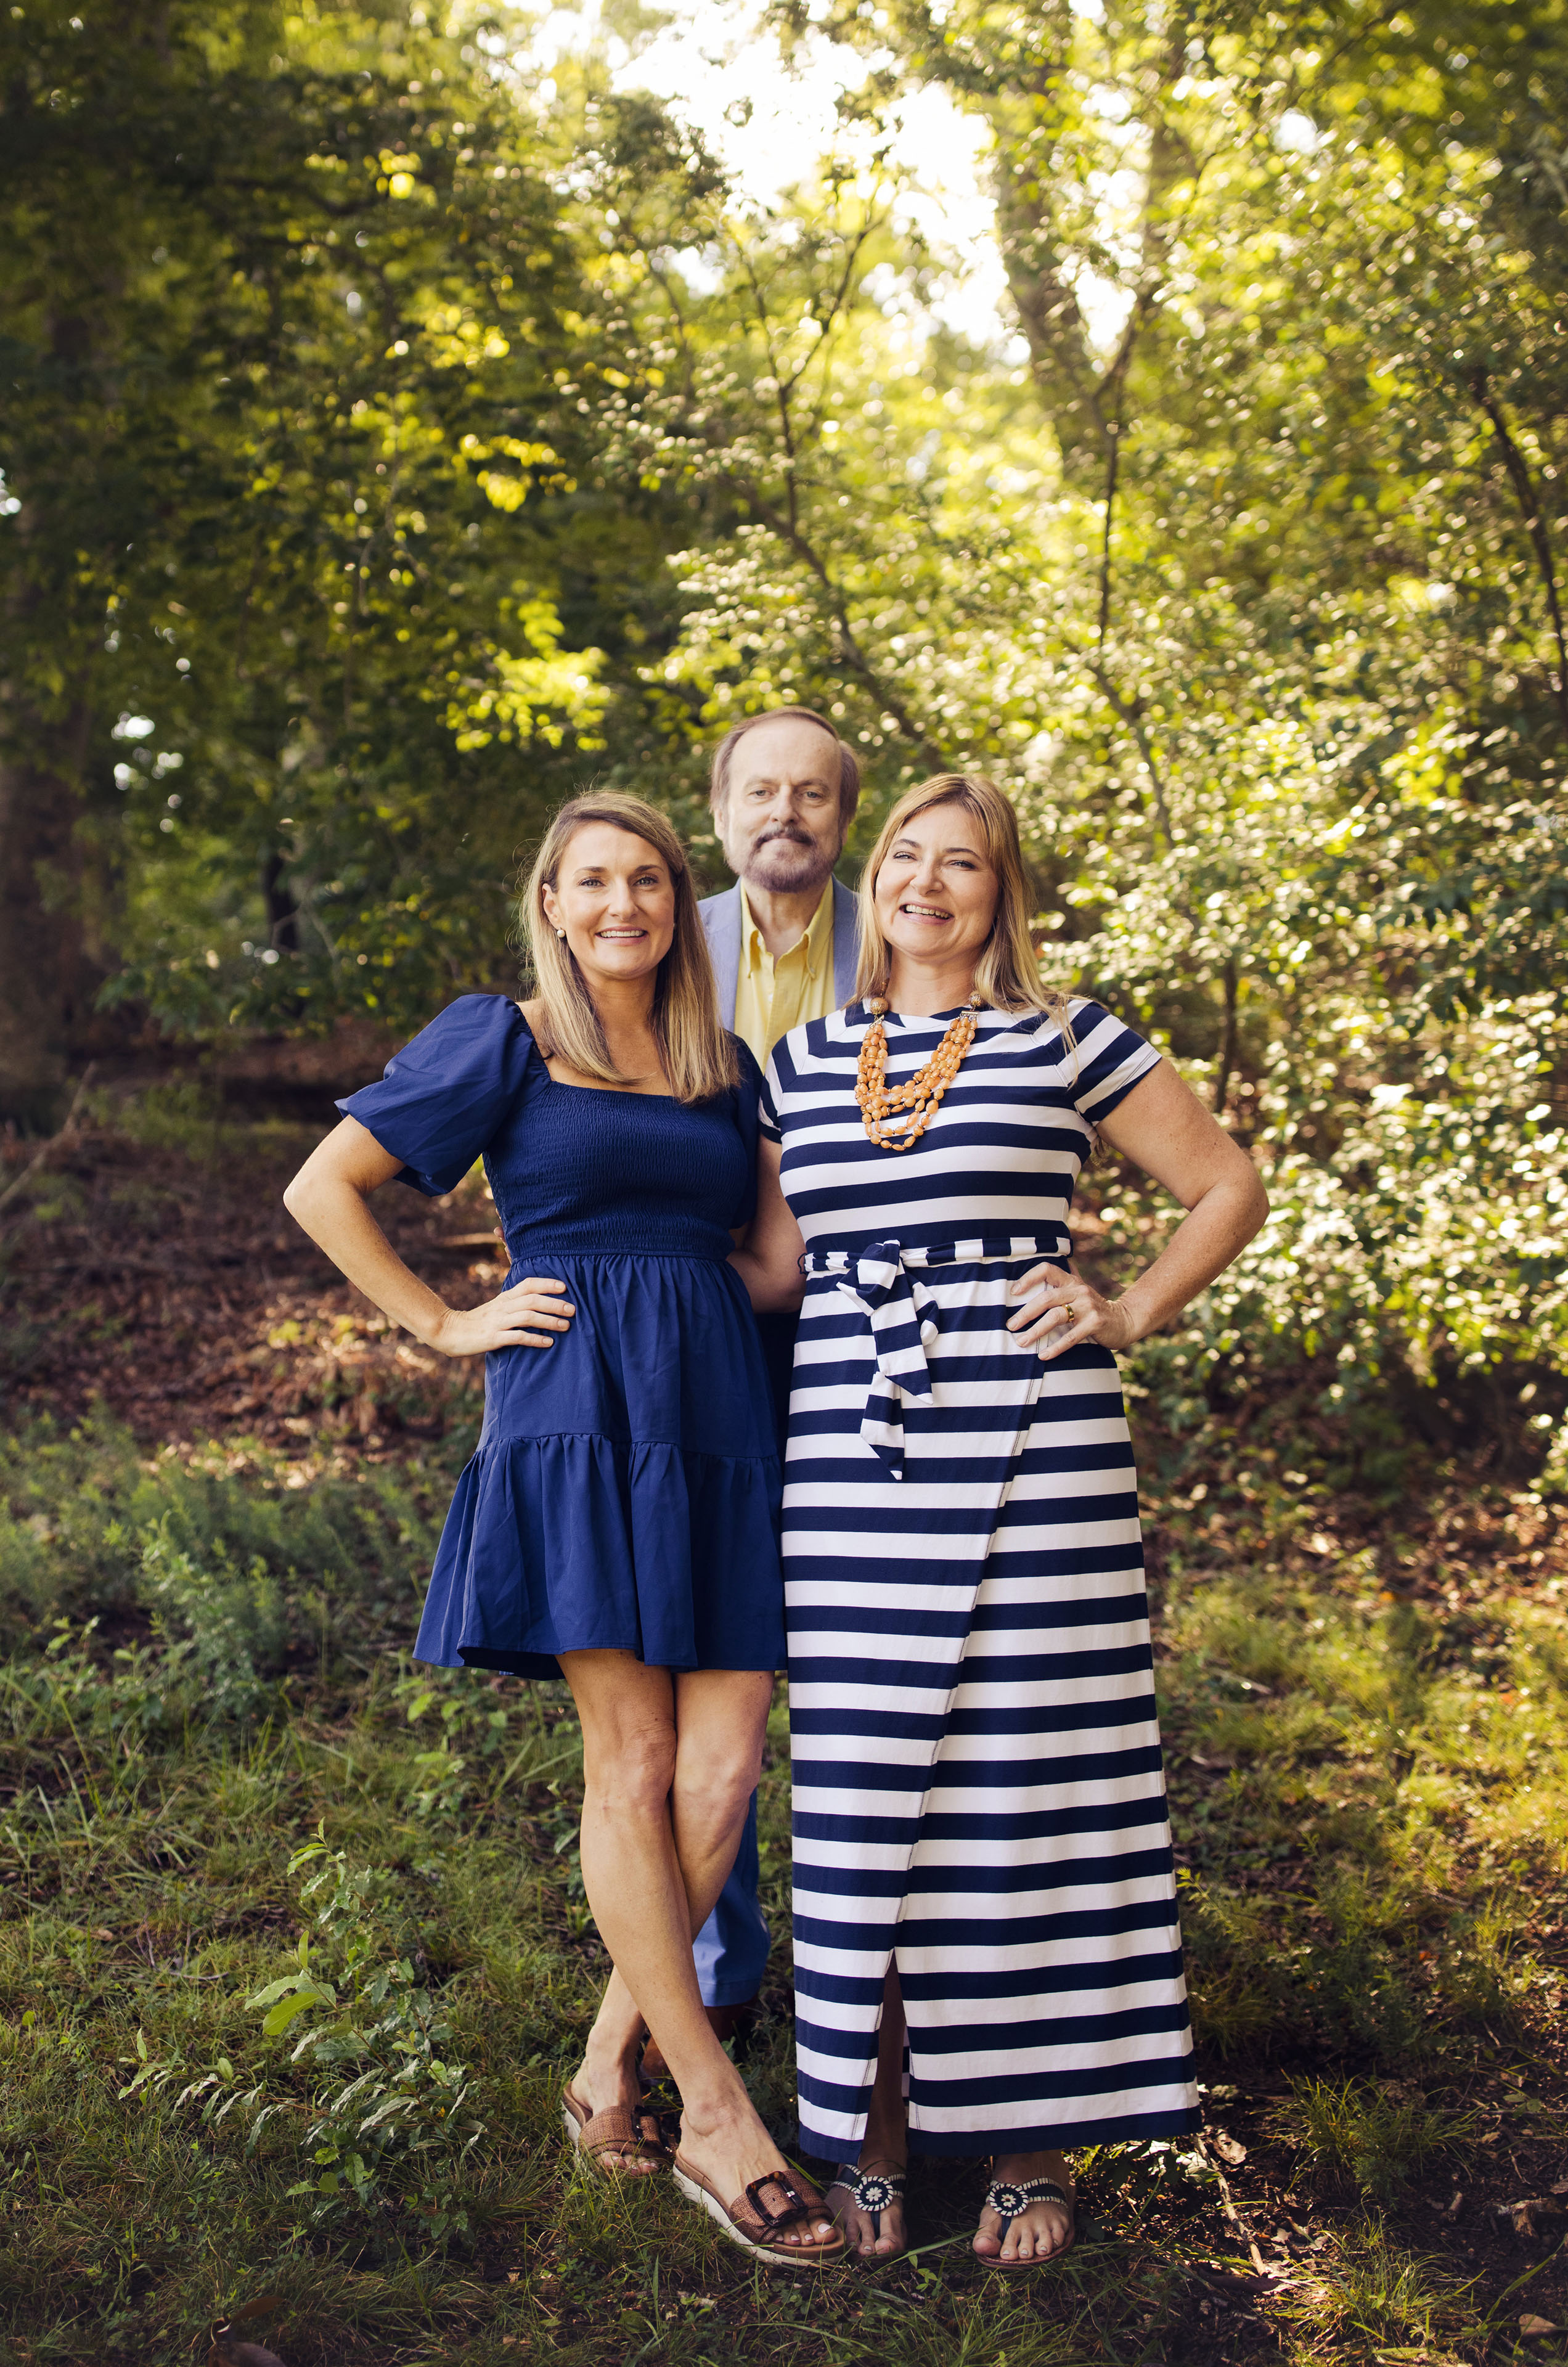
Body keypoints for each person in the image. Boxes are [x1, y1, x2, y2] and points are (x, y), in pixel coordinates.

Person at [282, 791, 841, 2267]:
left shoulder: (729, 1067)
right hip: (575, 1409)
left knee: (722, 1782)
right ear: (550, 898)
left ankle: (608, 2066)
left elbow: (777, 1262)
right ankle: (716, 2117)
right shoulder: (506, 1037)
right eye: (592, 881)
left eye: (647, 881)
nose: (622, 906)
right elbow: (323, 1185)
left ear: (677, 900)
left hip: (722, 1414)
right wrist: (443, 1323)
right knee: (637, 1762)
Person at [731, 772, 1269, 2269]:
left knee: (1028, 1778)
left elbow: (1225, 1182)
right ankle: (877, 2136)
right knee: (859, 1797)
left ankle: (1031, 2144)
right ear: (871, 873)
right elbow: (773, 1271)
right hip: (849, 1458)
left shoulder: (1068, 1037)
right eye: (904, 854)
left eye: (959, 863)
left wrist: (1127, 1305)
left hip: (1036, 1445)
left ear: (998, 892)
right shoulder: (800, 1057)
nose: (925, 882)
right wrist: (609, 1258)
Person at [647, 706, 860, 2066]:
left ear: (846, 816)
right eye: (758, 790)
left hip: (856, 1342)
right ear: (719, 809)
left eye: (812, 794)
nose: (784, 813)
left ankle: (871, 1955)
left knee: (844, 1664)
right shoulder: (657, 939)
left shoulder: (903, 936)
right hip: (694, 1334)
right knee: (692, 1657)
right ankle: (711, 1975)